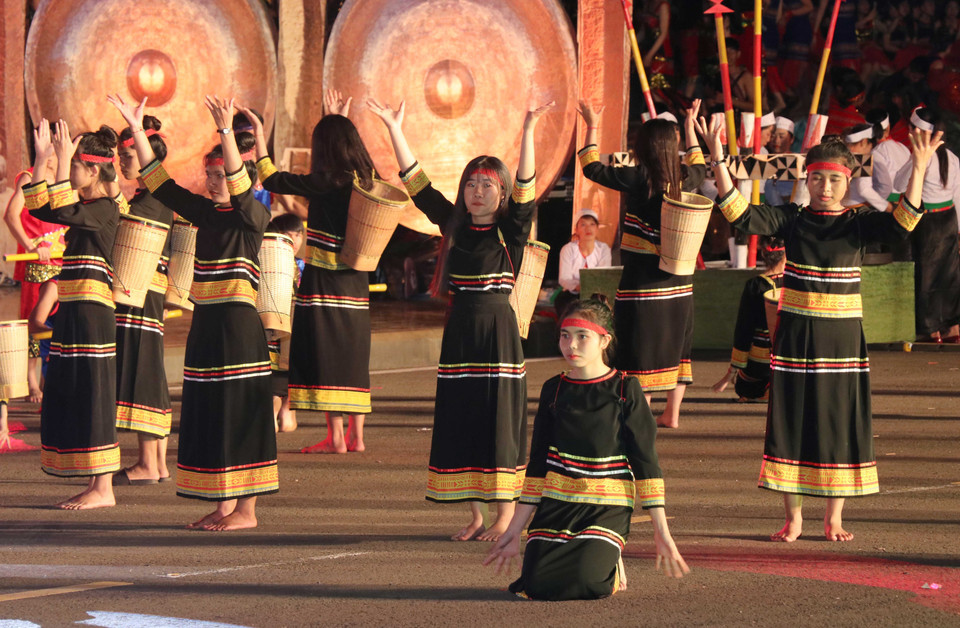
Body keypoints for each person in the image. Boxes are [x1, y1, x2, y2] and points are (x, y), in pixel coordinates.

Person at [698, 113, 941, 542]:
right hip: (794, 337)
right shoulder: (792, 219)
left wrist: (919, 168)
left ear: (846, 182)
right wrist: (718, 159)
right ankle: (794, 519)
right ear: (806, 180)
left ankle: (834, 519)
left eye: (833, 180)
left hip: (842, 339)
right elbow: (739, 213)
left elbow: (906, 221)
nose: (824, 188)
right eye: (817, 179)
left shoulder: (858, 223)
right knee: (790, 420)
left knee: (837, 420)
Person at [370, 96, 552, 541]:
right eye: (471, 183)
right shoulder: (452, 222)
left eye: (487, 185)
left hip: (498, 333)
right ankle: (475, 514)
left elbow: (527, 183)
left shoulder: (512, 227)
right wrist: (395, 128)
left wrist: (528, 128)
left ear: (502, 193)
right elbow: (417, 185)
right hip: (460, 333)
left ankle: (505, 516)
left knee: (498, 420)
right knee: (464, 416)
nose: (477, 191)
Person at [110, 93, 277, 530]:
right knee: (210, 411)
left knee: (240, 413)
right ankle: (222, 503)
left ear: (244, 178)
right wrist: (134, 126)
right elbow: (161, 184)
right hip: (207, 325)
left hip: (239, 329)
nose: (214, 178)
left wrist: (225, 131)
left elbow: (242, 193)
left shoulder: (253, 216)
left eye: (222, 171)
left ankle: (247, 511)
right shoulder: (206, 213)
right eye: (210, 172)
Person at [482, 296, 688, 599]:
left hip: (607, 506)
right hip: (558, 503)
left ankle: (612, 561)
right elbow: (538, 467)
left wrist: (662, 532)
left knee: (588, 583)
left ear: (604, 340)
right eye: (565, 336)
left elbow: (646, 463)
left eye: (582, 336)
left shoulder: (625, 389)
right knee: (538, 587)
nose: (571, 345)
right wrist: (513, 531)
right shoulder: (554, 388)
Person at [245, 90, 372, 454]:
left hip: (324, 276)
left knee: (326, 351)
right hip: (356, 277)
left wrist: (260, 132)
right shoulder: (365, 176)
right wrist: (338, 119)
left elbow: (271, 178)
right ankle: (356, 436)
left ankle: (335, 438)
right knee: (352, 351)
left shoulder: (326, 180)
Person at [576, 99, 705, 428]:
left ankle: (643, 413)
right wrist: (690, 127)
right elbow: (701, 168)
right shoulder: (685, 178)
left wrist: (591, 124)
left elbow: (591, 166)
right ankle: (672, 414)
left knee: (640, 345)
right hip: (678, 281)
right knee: (676, 343)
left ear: (642, 146)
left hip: (642, 281)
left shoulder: (636, 178)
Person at [24, 119, 121, 509]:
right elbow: (41, 207)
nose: (69, 172)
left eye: (76, 166)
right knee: (75, 390)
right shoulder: (85, 207)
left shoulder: (106, 209)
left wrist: (62, 156)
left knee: (95, 392)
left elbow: (61, 205)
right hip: (75, 310)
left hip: (94, 313)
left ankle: (104, 487)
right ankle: (95, 483)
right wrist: (44, 158)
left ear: (93, 169)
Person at [110, 115, 175, 485]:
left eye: (128, 154)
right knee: (146, 366)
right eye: (120, 154)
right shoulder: (149, 195)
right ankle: (156, 463)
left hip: (141, 290)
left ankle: (149, 462)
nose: (123, 161)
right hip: (143, 291)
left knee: (143, 368)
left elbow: (126, 236)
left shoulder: (155, 196)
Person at [3, 127, 65, 403]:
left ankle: (48, 379)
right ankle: (32, 383)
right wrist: (31, 247)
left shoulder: (65, 178)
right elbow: (11, 216)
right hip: (38, 260)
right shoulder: (29, 176)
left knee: (59, 318)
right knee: (34, 318)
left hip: (64, 257)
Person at [892, 107, 960, 343]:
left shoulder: (921, 157)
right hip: (949, 219)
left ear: (918, 132)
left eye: (911, 129)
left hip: (928, 222)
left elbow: (899, 184)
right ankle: (953, 327)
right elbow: (958, 195)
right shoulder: (952, 157)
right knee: (949, 273)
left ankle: (930, 328)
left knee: (927, 274)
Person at [712, 238, 785, 402]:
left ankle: (765, 387)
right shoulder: (795, 284)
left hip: (761, 363)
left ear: (763, 256)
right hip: (788, 357)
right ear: (786, 257)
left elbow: (744, 330)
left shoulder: (755, 285)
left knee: (744, 388)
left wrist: (732, 371)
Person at [264, 212, 304, 433]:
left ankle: (287, 411)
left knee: (290, 368)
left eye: (298, 235)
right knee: (275, 370)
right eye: (287, 235)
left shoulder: (302, 265)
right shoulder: (269, 261)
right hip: (276, 329)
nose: (294, 240)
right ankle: (277, 411)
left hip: (295, 328)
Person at [554, 208, 611, 315]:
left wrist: (591, 287)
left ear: (597, 228)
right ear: (576, 229)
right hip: (573, 294)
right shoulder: (568, 249)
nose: (588, 228)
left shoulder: (603, 249)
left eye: (592, 224)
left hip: (596, 295)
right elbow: (564, 278)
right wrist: (578, 286)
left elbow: (604, 276)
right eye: (583, 225)